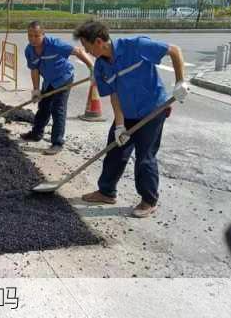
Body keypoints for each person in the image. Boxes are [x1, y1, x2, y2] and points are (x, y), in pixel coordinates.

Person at [73, 20, 189, 218]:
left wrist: (180, 81)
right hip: (127, 114)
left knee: (145, 158)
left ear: (99, 41)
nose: (87, 51)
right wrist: (119, 125)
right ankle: (106, 192)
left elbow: (174, 51)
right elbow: (114, 94)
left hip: (153, 110)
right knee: (115, 150)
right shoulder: (101, 67)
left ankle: (149, 200)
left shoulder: (135, 46)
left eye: (87, 46)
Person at [21, 21, 94, 155]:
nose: (33, 39)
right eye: (30, 36)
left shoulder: (55, 44)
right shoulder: (29, 50)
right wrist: (36, 90)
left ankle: (57, 142)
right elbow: (35, 70)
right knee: (43, 107)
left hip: (64, 78)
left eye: (36, 36)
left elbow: (78, 51)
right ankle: (36, 134)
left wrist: (92, 68)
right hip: (49, 81)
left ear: (43, 34)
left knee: (58, 108)